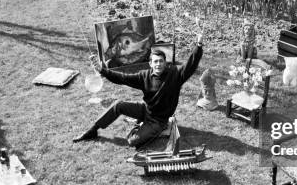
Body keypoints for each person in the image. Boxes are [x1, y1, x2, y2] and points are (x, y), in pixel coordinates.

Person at [74, 33, 204, 147]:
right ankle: (93, 130)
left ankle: (161, 128)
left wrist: (198, 45)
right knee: (118, 105)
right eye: (155, 62)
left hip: (159, 120)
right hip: (145, 110)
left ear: (165, 63)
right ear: (150, 64)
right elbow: (122, 78)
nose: (158, 64)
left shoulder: (175, 75)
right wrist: (103, 70)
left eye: (161, 61)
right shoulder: (144, 75)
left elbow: (190, 65)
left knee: (132, 141)